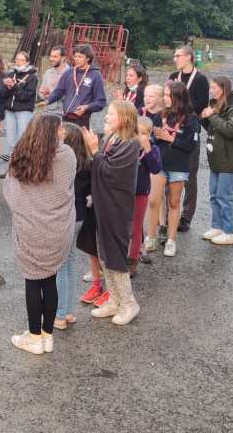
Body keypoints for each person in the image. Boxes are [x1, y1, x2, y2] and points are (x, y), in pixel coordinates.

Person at [3, 113, 76, 356]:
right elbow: (67, 189)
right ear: (51, 133)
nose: (63, 132)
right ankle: (47, 336)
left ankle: (34, 338)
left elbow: (11, 194)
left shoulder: (20, 157)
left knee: (33, 282)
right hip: (57, 231)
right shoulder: (68, 156)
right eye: (60, 129)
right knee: (50, 280)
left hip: (29, 230)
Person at [81, 101, 141, 325]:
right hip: (102, 204)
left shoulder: (130, 144)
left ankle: (129, 303)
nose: (106, 117)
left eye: (111, 114)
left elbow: (110, 172)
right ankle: (115, 299)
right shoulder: (111, 138)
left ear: (124, 119)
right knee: (104, 252)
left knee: (115, 254)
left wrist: (94, 150)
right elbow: (97, 166)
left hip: (117, 207)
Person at [201, 76, 233, 247]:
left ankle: (230, 232)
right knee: (214, 194)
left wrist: (212, 116)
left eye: (214, 87)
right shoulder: (215, 105)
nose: (211, 91)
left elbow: (231, 130)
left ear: (223, 88)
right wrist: (204, 117)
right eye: (210, 87)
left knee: (224, 195)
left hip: (232, 158)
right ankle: (217, 227)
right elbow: (213, 128)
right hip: (217, 157)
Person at [151, 81, 200, 258]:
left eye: (167, 95)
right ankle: (151, 236)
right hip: (160, 164)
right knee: (153, 200)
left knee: (174, 202)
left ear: (177, 98)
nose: (164, 98)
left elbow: (190, 146)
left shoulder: (191, 119)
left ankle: (171, 240)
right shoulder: (159, 115)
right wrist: (155, 137)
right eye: (164, 95)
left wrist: (170, 138)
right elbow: (152, 140)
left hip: (178, 166)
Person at [169, 45, 209, 233]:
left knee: (189, 175)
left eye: (178, 55)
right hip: (171, 129)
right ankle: (169, 213)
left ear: (188, 57)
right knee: (168, 172)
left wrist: (182, 104)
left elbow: (201, 106)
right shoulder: (172, 77)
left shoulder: (200, 80)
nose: (175, 59)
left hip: (189, 130)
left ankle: (186, 216)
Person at [58, 123, 94, 327]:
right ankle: (68, 311)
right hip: (80, 217)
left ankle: (60, 314)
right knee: (70, 263)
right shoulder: (87, 164)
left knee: (60, 267)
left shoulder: (64, 164)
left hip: (65, 217)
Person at [46, 44, 106, 128]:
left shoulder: (95, 75)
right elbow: (58, 91)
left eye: (80, 57)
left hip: (82, 120)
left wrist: (87, 107)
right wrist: (47, 100)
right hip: (66, 118)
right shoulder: (69, 73)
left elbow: (101, 102)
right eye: (75, 56)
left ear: (88, 58)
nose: (76, 59)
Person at [130, 116, 162, 273]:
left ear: (149, 134)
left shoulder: (152, 149)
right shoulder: (127, 145)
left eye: (143, 133)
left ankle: (132, 261)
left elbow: (155, 168)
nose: (139, 136)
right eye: (137, 132)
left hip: (140, 193)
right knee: (123, 227)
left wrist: (148, 149)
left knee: (136, 229)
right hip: (124, 192)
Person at [141, 84, 167, 251]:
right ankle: (148, 228)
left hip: (157, 156)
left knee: (159, 195)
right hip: (142, 157)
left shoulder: (164, 115)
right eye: (145, 95)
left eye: (151, 96)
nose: (147, 99)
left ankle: (162, 225)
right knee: (149, 195)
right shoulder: (140, 112)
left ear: (160, 98)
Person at [3, 51, 39, 159]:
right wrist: (6, 87)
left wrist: (14, 86)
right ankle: (12, 162)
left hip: (24, 111)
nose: (18, 62)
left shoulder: (32, 77)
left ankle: (22, 163)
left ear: (27, 62)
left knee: (22, 139)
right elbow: (4, 94)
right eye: (17, 59)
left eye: (22, 60)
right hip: (10, 111)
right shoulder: (10, 74)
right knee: (10, 139)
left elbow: (24, 96)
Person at [38, 46, 69, 115]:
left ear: (63, 58)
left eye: (55, 57)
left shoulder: (70, 73)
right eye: (51, 56)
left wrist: (51, 93)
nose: (51, 59)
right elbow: (41, 94)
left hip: (62, 113)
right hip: (47, 111)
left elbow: (71, 96)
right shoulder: (48, 72)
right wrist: (43, 93)